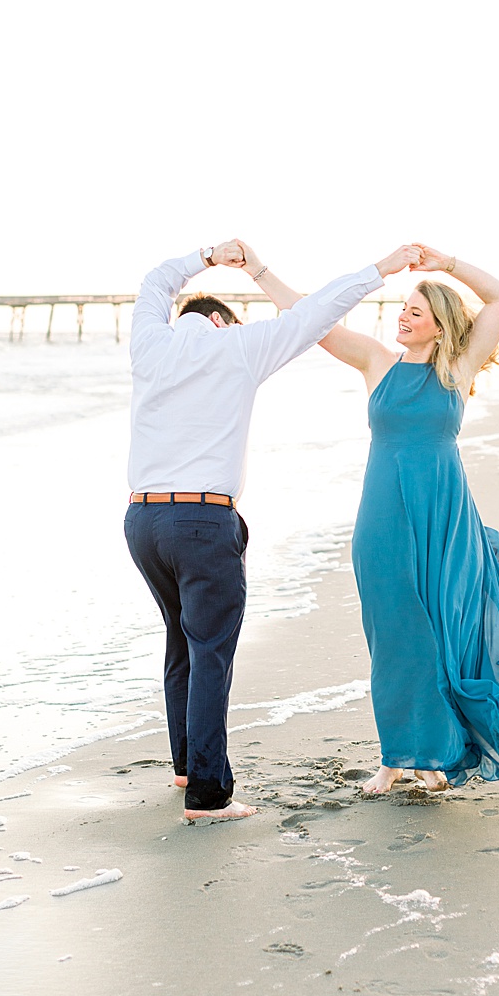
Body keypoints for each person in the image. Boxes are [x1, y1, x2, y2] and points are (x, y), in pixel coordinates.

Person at [239, 241, 499, 794]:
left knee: (439, 635)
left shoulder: (459, 365)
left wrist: (445, 264)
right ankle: (395, 756)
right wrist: (259, 271)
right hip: (382, 520)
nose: (403, 316)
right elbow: (311, 316)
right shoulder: (376, 361)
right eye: (403, 308)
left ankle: (432, 754)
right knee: (394, 636)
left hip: (447, 521)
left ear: (439, 325)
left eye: (415, 311)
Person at [125, 240, 418, 821]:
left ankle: (185, 764)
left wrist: (208, 255)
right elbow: (317, 312)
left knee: (180, 640)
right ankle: (207, 795)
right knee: (211, 652)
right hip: (202, 519)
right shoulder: (239, 345)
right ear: (219, 320)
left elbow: (156, 280)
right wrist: (381, 269)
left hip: (142, 520)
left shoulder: (148, 341)